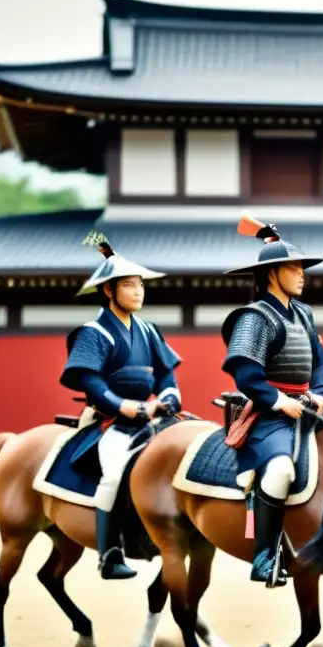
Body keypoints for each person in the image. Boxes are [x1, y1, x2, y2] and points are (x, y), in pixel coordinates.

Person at [60, 231, 183, 580]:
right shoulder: (94, 333)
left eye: (140, 284)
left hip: (150, 416)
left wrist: (170, 395)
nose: (138, 291)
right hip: (110, 422)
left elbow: (165, 375)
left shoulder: (149, 330)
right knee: (113, 475)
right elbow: (92, 383)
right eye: (129, 285)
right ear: (108, 290)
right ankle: (109, 554)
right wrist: (123, 406)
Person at [221, 214, 323, 588]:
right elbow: (245, 373)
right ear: (272, 273)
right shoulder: (255, 317)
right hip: (269, 415)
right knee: (281, 469)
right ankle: (265, 555)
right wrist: (277, 401)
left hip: (306, 410)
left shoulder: (305, 313)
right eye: (294, 267)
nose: (302, 274)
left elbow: (319, 363)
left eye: (302, 266)